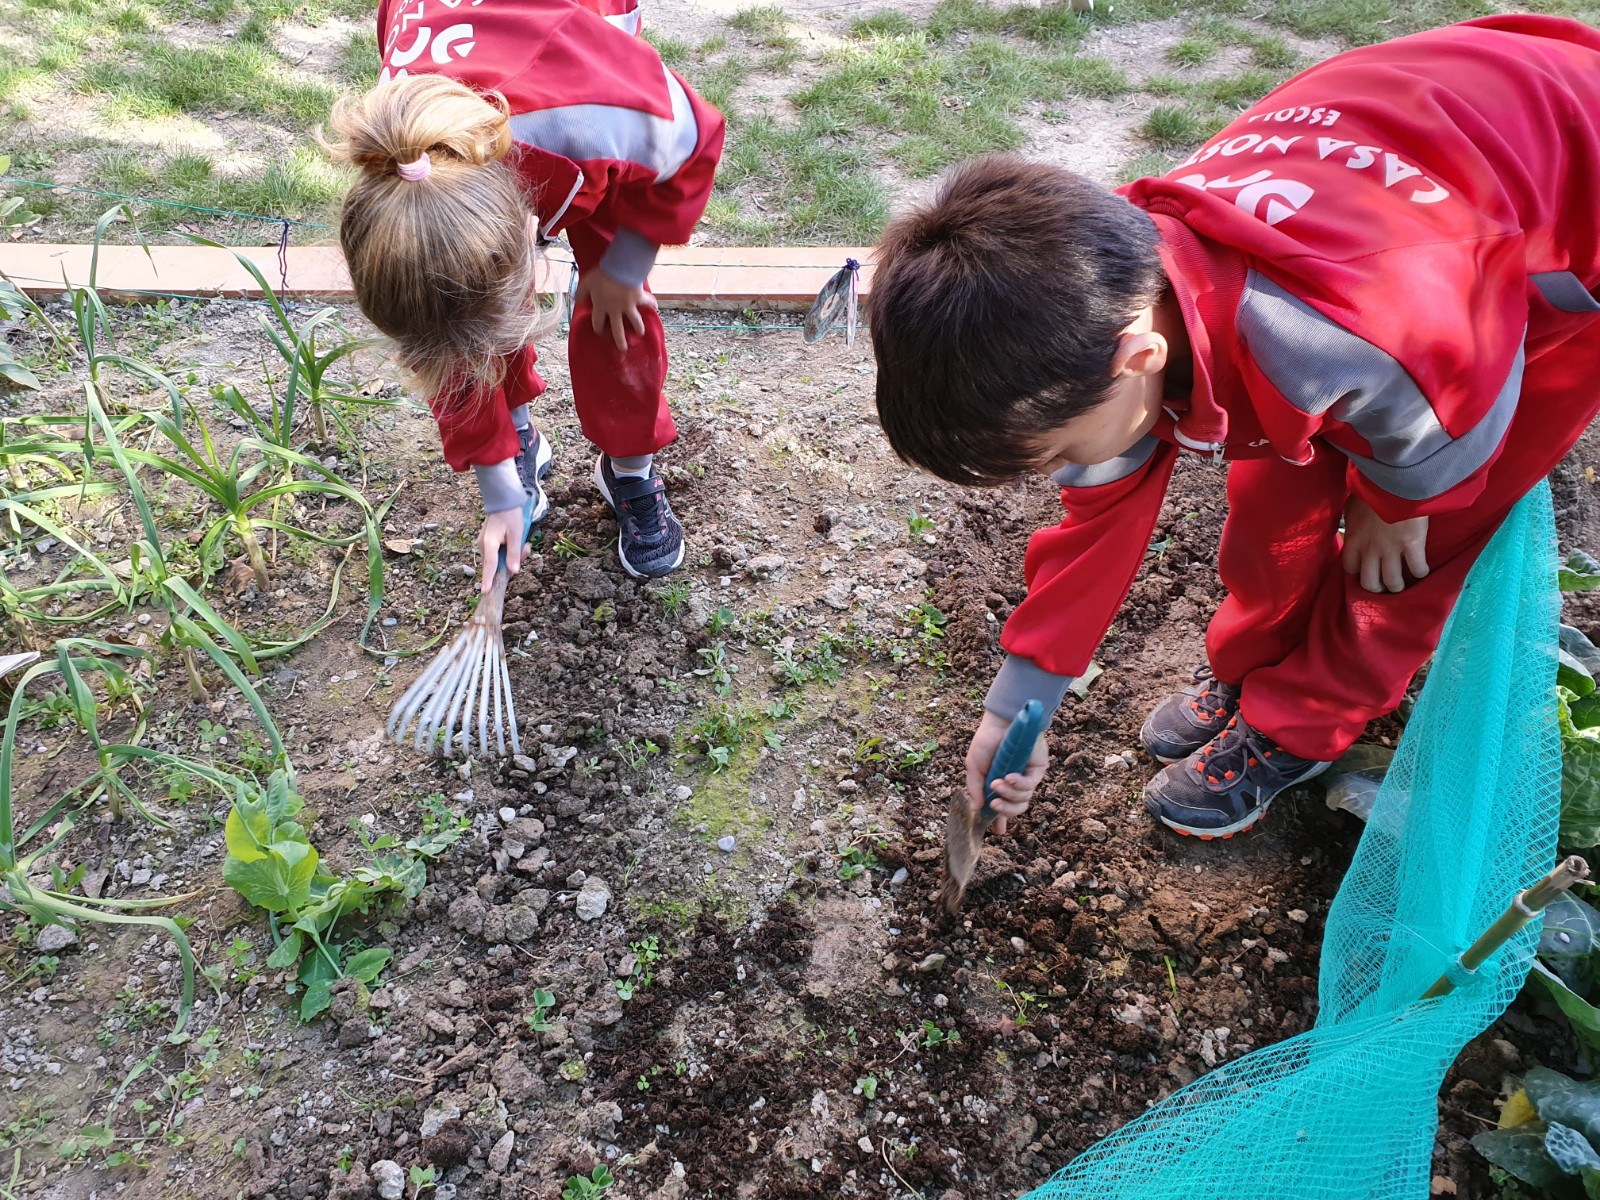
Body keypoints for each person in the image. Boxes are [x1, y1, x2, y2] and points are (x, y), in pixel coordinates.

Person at [867, 15, 1600, 840]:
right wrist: (1016, 710)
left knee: (1402, 564)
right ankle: (1248, 669)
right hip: (1443, 152)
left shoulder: (1352, 339)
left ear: (1137, 357)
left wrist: (1400, 499)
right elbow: (1098, 522)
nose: (1067, 476)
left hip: (1548, 240)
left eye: (1063, 453)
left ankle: (1299, 725)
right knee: (1273, 503)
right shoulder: (1106, 295)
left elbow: (1459, 407)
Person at [326, 0, 725, 585]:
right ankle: (517, 444)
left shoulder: (605, 109)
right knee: (457, 322)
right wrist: (497, 488)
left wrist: (622, 269)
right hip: (490, 162)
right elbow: (447, 343)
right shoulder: (402, 178)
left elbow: (695, 141)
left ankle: (630, 467)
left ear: (528, 232)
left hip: (588, 139)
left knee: (618, 314)